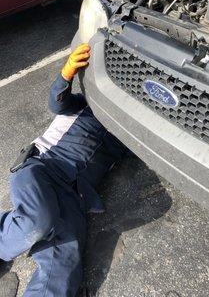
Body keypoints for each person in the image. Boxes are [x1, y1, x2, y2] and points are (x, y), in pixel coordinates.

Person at [0, 44, 128, 296]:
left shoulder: (128, 132)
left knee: (63, 268)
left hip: (75, 197)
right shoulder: (85, 104)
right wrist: (65, 75)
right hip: (41, 170)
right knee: (36, 221)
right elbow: (57, 103)